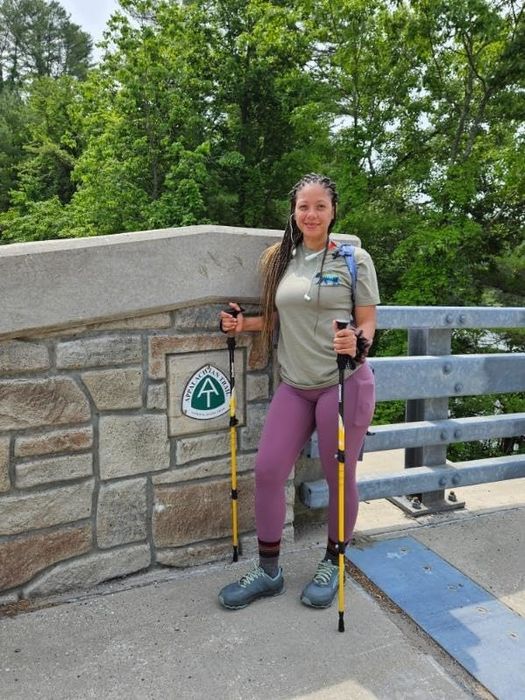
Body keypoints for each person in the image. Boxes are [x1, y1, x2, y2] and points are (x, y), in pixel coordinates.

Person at [218, 173, 380, 610]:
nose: (311, 214)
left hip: (344, 385)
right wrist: (243, 324)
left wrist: (358, 342)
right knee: (268, 471)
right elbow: (279, 318)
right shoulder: (280, 260)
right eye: (303, 206)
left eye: (319, 207)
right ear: (293, 211)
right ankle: (269, 572)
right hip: (295, 385)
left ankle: (334, 561)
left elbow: (367, 321)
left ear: (333, 212)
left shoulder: (353, 259)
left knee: (339, 477)